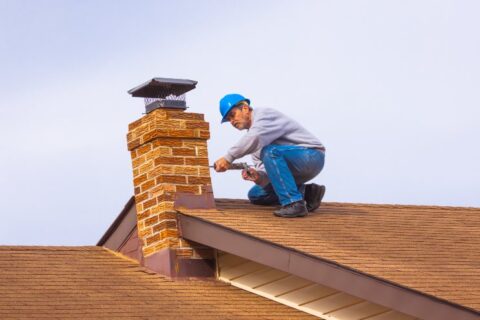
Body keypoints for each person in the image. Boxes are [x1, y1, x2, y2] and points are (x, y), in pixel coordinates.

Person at [214, 93, 326, 218]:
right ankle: (308, 193)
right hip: (293, 169)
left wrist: (228, 158)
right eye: (228, 119)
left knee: (271, 152)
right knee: (256, 194)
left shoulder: (264, 115)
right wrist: (258, 176)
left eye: (232, 115)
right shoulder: (254, 145)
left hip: (311, 156)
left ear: (245, 108)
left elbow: (255, 137)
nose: (232, 121)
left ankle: (294, 203)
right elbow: (268, 174)